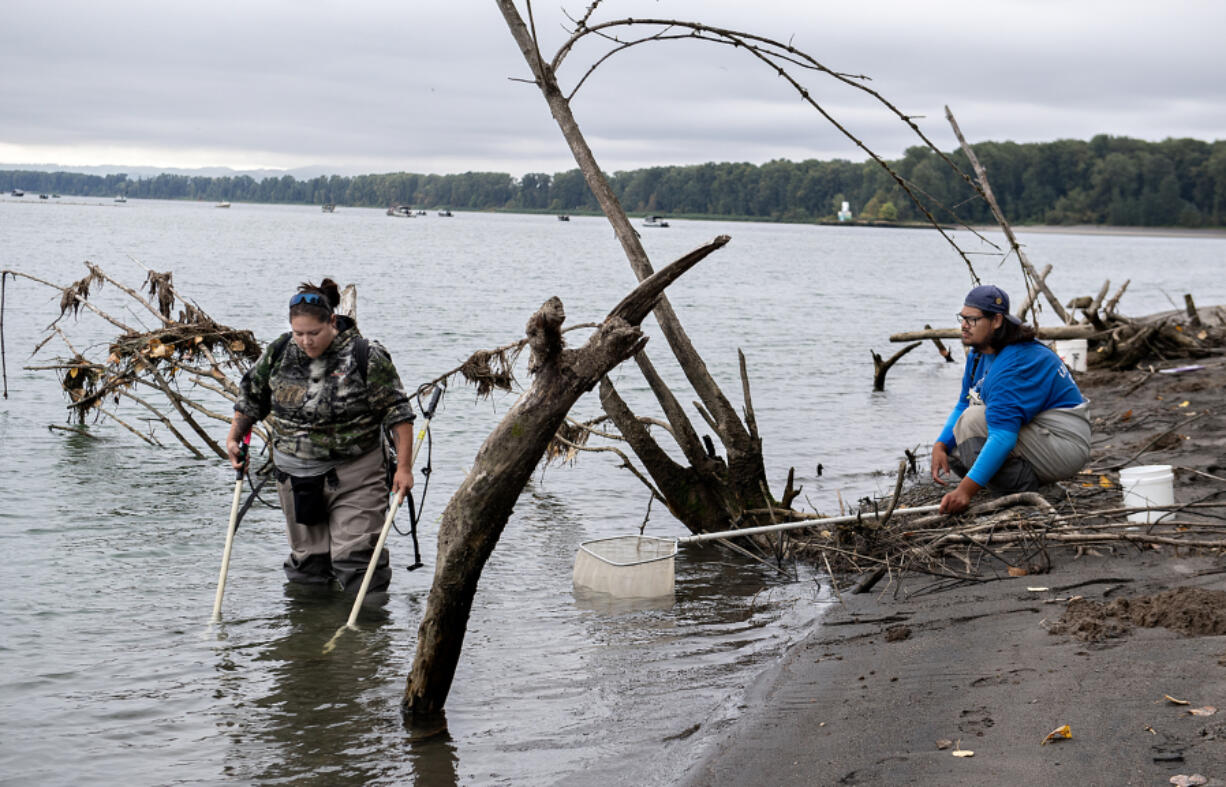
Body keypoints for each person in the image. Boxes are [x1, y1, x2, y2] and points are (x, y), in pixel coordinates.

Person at [226, 279, 416, 592]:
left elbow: (398, 413)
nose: (306, 341)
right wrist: (235, 438)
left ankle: (366, 632)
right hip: (295, 476)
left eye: (313, 333)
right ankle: (309, 633)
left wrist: (405, 468)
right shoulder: (278, 352)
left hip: (356, 472)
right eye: (298, 333)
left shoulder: (364, 355)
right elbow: (250, 399)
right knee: (308, 565)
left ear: (332, 321)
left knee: (356, 562)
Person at [931, 284, 1091, 515]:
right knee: (955, 449)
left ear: (996, 321)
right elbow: (964, 402)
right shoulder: (979, 354)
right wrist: (940, 445)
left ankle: (1025, 497)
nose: (964, 325)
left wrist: (964, 492)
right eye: (962, 317)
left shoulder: (1014, 363)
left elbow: (1003, 437)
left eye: (972, 320)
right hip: (1041, 435)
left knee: (971, 422)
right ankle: (1038, 490)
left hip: (1065, 442)